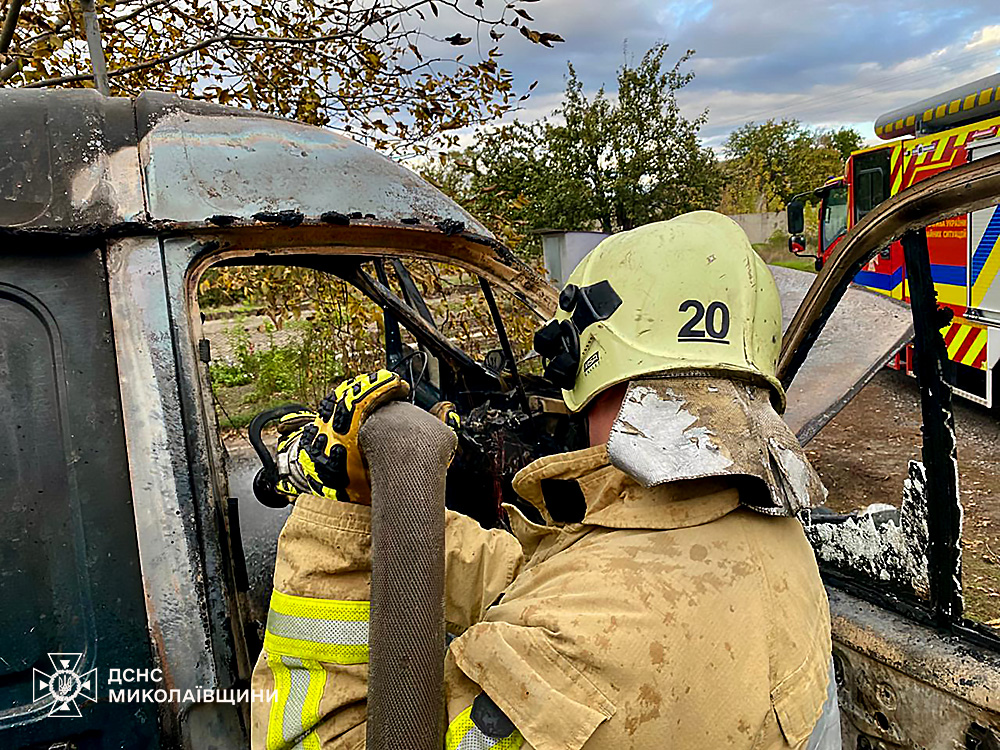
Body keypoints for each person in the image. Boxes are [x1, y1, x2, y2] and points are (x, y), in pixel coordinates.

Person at [250, 210, 839, 749]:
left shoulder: (567, 658)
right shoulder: (780, 539)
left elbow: (335, 736)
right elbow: (556, 580)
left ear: (590, 360)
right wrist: (396, 515)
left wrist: (338, 542)